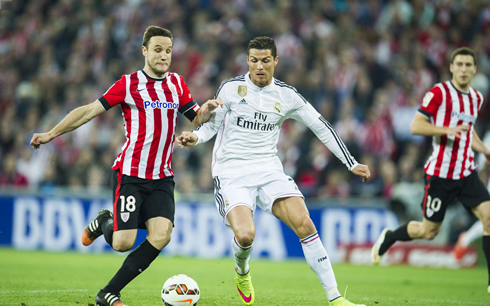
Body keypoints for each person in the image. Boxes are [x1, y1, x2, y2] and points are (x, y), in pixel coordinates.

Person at [30, 26, 222, 306]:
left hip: (162, 177)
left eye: (168, 51)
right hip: (130, 175)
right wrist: (50, 134)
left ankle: (108, 293)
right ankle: (105, 222)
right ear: (144, 51)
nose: (164, 56)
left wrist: (206, 111)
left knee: (161, 235)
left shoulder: (177, 84)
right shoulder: (129, 84)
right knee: (122, 243)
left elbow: (195, 118)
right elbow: (87, 112)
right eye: (158, 50)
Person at [177, 36, 370, 306]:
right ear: (247, 61)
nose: (259, 66)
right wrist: (195, 137)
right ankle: (242, 271)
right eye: (254, 60)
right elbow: (211, 126)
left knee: (305, 224)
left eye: (265, 60)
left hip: (269, 170)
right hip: (232, 172)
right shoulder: (231, 89)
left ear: (275, 61)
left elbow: (320, 126)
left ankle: (335, 298)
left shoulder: (287, 95)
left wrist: (351, 162)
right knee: (245, 236)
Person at [371, 47, 490, 293]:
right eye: (460, 64)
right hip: (441, 174)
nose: (464, 69)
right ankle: (391, 237)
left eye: (469, 65)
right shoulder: (439, 93)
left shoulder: (476, 98)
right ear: (452, 67)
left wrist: (484, 150)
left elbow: (469, 130)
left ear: (474, 69)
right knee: (428, 231)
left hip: (467, 172)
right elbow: (416, 126)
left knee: (489, 218)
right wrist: (446, 130)